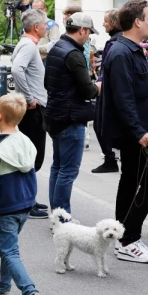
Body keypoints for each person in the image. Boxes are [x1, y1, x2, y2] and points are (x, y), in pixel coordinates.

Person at [96, 0, 148, 264]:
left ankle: (123, 235)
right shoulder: (122, 53)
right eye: (147, 18)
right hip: (134, 134)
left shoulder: (129, 49)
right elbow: (124, 99)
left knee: (131, 182)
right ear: (137, 21)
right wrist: (138, 131)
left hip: (137, 130)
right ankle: (128, 240)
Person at [0, 92, 47, 295]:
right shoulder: (26, 141)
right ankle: (1, 291)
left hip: (7, 208)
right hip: (25, 205)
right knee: (6, 248)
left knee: (9, 251)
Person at [44, 12, 99, 214]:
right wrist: (99, 87)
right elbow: (88, 90)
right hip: (71, 117)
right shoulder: (74, 54)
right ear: (82, 30)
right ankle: (62, 217)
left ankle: (56, 214)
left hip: (54, 115)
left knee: (57, 168)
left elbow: (46, 83)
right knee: (67, 171)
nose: (89, 38)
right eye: (89, 33)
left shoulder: (56, 47)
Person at [11, 8, 50, 218]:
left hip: (32, 108)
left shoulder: (26, 44)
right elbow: (17, 69)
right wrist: (29, 97)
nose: (46, 27)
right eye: (45, 24)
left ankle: (28, 199)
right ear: (36, 27)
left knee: (31, 155)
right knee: (32, 157)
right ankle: (26, 203)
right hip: (33, 110)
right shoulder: (28, 45)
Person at [90, 9, 122, 174]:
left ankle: (110, 159)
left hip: (108, 91)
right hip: (113, 89)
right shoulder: (120, 40)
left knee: (99, 124)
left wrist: (100, 82)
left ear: (114, 23)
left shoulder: (114, 43)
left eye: (106, 21)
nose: (103, 24)